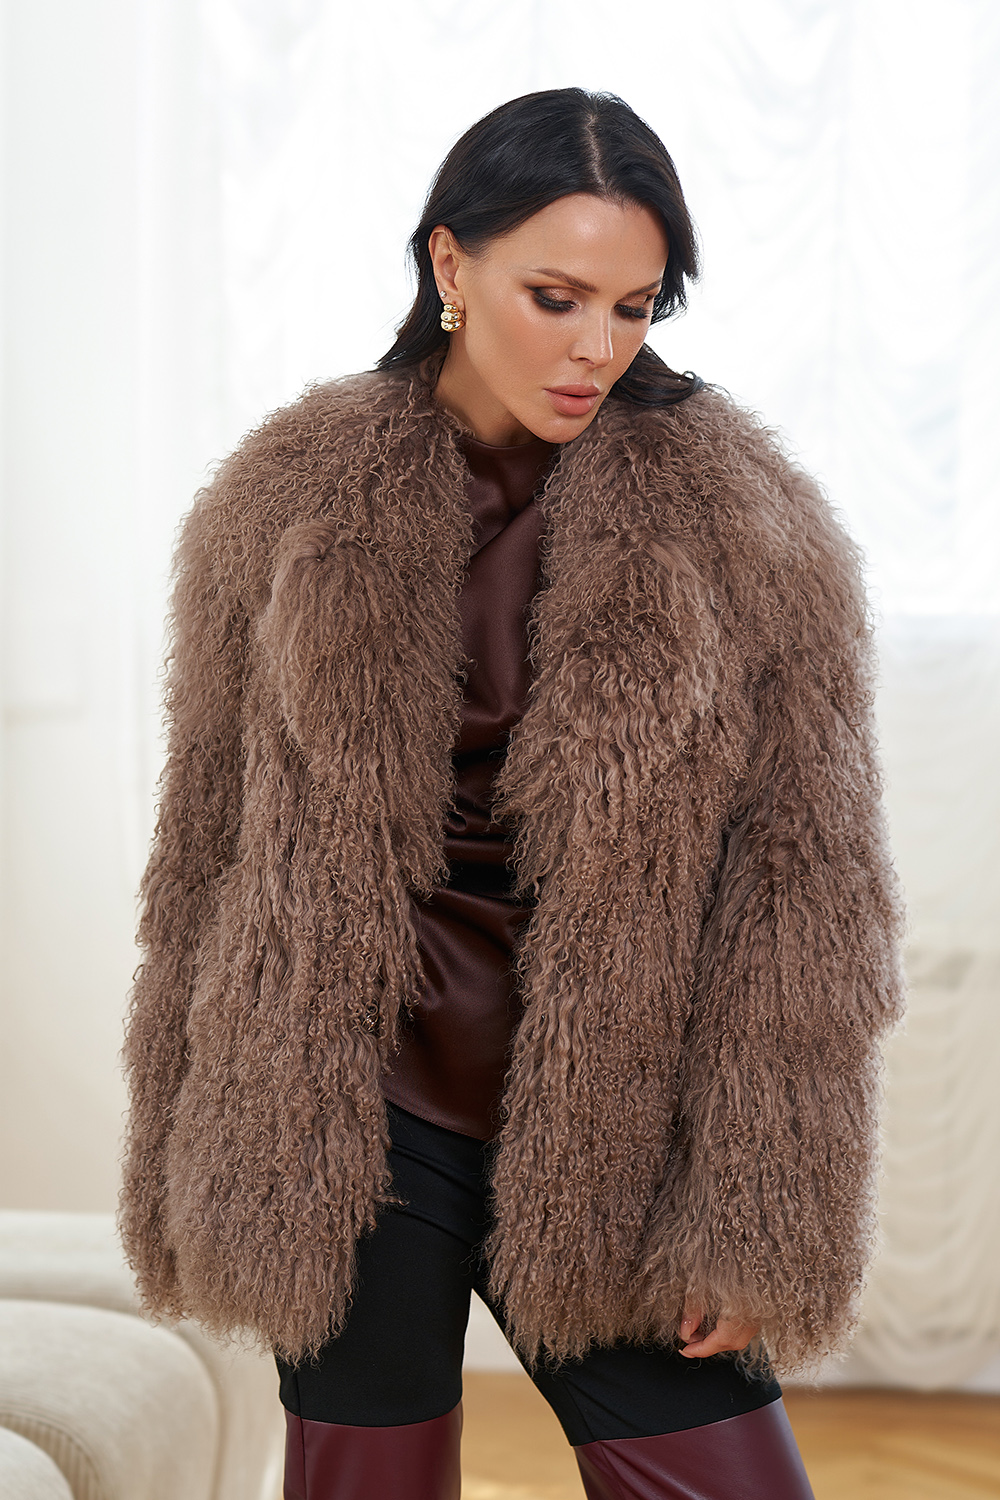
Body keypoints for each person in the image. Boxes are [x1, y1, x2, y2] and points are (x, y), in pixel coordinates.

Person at [118, 88, 907, 1500]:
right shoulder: (287, 497)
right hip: (349, 1110)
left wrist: (754, 1202)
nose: (598, 347)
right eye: (558, 298)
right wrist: (191, 1142)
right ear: (450, 264)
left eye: (635, 307)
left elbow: (807, 893)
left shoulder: (743, 520)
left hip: (614, 1123)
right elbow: (206, 851)